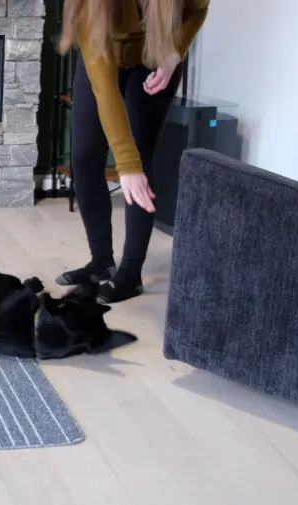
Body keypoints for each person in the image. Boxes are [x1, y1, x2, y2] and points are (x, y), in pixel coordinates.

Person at [55, 0, 209, 303]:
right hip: (102, 55)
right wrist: (125, 166)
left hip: (155, 57)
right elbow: (105, 89)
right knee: (85, 157)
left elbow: (198, 9)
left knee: (142, 155)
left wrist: (174, 54)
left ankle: (130, 273)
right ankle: (101, 262)